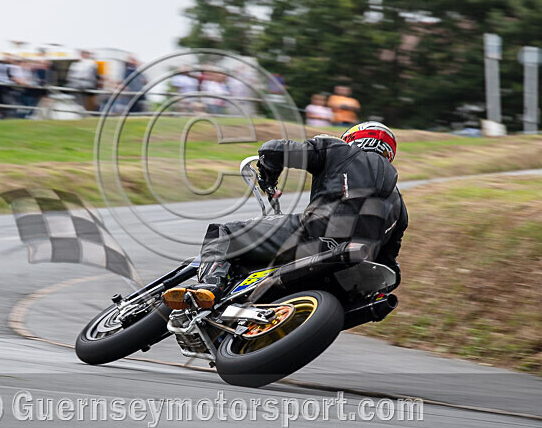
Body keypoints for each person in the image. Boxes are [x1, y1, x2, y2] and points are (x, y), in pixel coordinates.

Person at [162, 121, 407, 309]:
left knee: (224, 233)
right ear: (389, 153)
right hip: (354, 267)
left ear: (353, 139)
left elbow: (274, 150)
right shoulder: (399, 204)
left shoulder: (339, 151)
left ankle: (209, 286)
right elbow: (389, 260)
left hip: (314, 235)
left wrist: (268, 176)